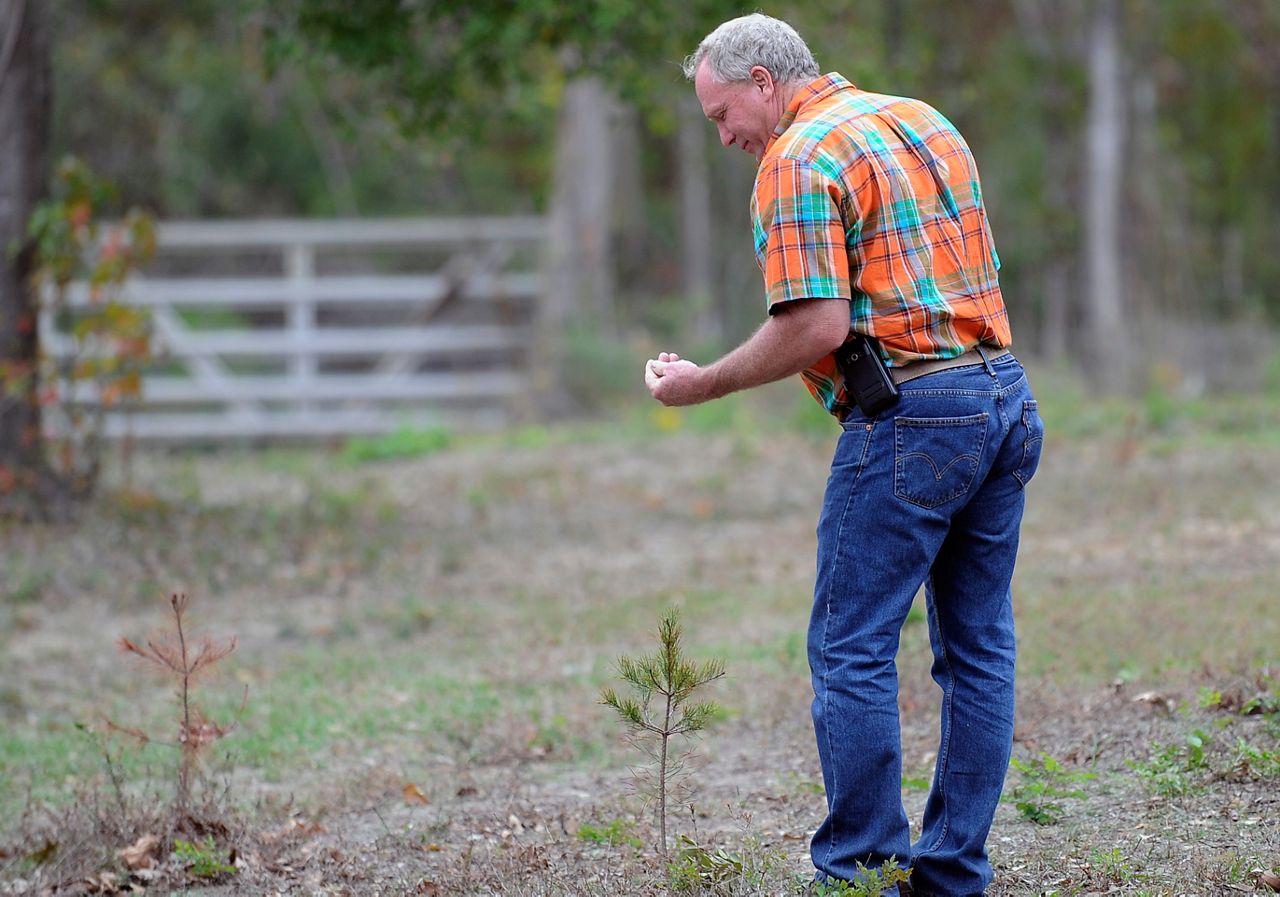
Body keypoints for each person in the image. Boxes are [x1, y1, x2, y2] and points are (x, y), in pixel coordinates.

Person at [644, 13, 1044, 897]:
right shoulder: (921, 118)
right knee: (978, 648)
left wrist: (700, 383)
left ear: (762, 79)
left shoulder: (796, 156)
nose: (724, 137)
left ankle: (860, 875)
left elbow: (815, 325)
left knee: (851, 645)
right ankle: (951, 875)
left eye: (721, 115)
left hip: (913, 414)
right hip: (1004, 395)